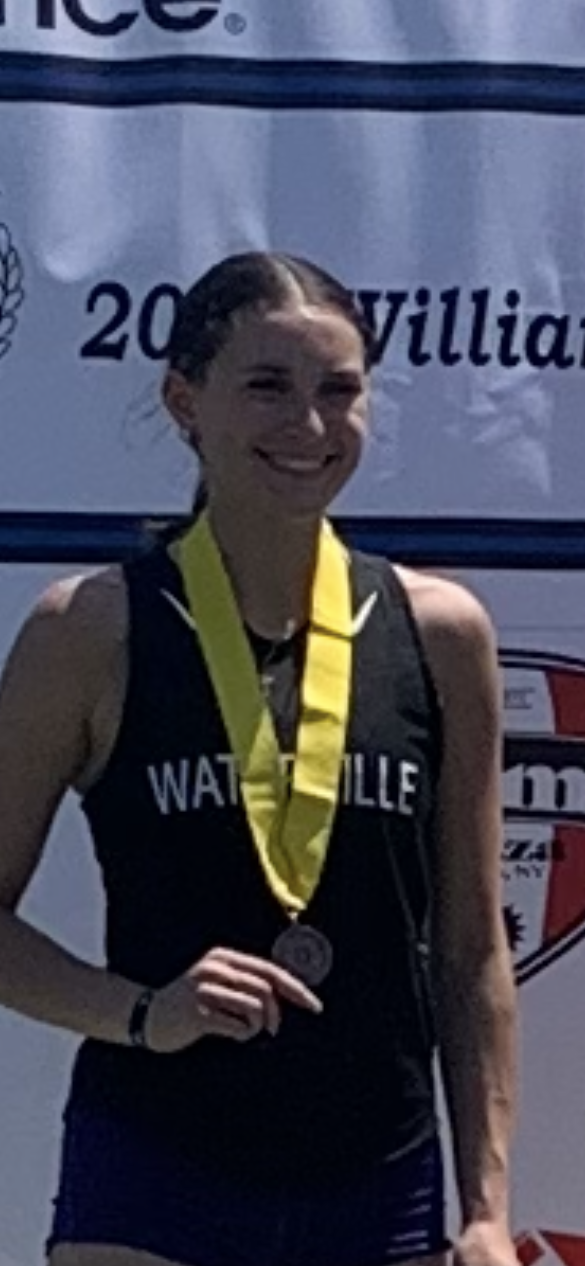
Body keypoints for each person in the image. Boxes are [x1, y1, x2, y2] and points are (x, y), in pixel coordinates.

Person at [0, 252, 518, 1266]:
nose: (310, 426)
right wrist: (143, 1013)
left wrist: (488, 1206)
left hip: (379, 1174)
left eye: (341, 390)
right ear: (185, 401)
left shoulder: (443, 631)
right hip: (153, 1172)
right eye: (268, 387)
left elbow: (471, 948)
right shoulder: (92, 629)